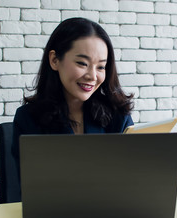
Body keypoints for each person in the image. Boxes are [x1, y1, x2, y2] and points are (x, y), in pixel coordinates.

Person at [10, 17, 134, 202]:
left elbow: (131, 183)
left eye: (101, 66)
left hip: (110, 216)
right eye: (82, 64)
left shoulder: (118, 116)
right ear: (54, 60)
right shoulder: (28, 118)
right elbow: (32, 194)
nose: (92, 76)